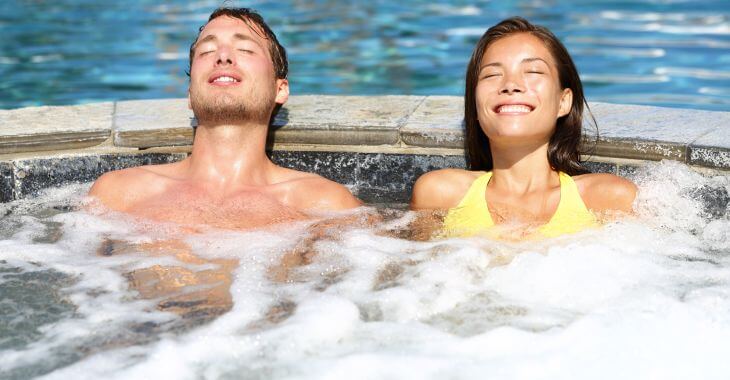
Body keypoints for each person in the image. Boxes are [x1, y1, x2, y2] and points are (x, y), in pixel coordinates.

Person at [89, 7, 361, 230]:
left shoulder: (324, 204)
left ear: (280, 89)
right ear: (190, 94)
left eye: (245, 50)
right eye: (207, 51)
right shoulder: (117, 194)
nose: (222, 57)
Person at [410, 17, 636, 239]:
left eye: (533, 72)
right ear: (476, 107)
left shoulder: (610, 199)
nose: (511, 85)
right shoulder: (440, 195)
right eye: (492, 74)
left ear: (563, 102)